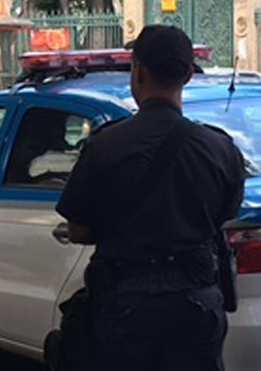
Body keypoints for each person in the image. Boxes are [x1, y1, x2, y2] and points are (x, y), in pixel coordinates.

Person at [56, 25, 247, 370]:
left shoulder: (104, 146)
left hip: (126, 308)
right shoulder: (219, 148)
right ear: (188, 75)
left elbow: (78, 230)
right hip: (197, 305)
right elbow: (224, 215)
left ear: (138, 71)